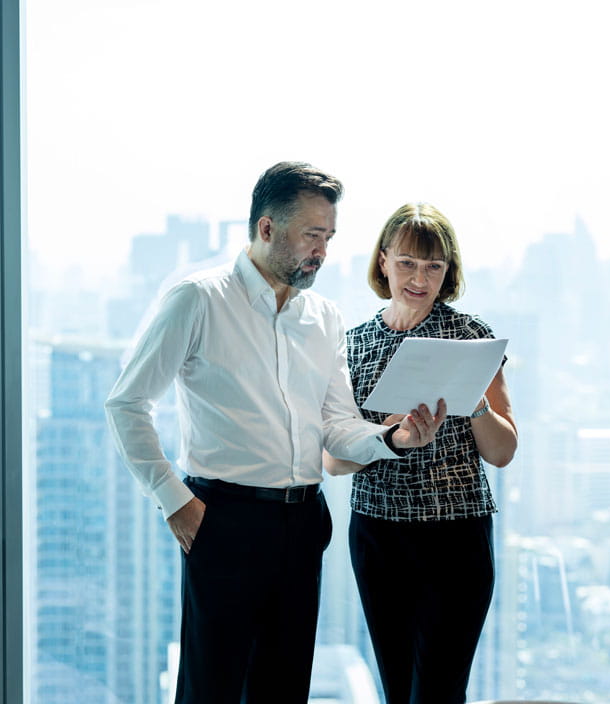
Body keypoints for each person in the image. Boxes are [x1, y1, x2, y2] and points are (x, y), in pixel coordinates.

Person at [104, 162, 447, 703]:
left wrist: (392, 439)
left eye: (329, 237)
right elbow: (126, 403)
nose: (323, 251)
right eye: (312, 235)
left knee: (284, 692)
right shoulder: (199, 299)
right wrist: (175, 501)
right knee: (210, 691)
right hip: (223, 520)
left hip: (304, 522)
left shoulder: (324, 317)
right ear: (266, 229)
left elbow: (335, 427)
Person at [324, 202, 518, 704]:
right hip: (379, 535)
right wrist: (387, 435)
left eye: (434, 266)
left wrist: (473, 401)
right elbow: (333, 462)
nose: (419, 277)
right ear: (383, 260)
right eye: (407, 262)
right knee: (397, 689)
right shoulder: (353, 345)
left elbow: (503, 452)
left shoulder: (472, 337)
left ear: (448, 272)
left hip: (457, 534)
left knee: (437, 691)